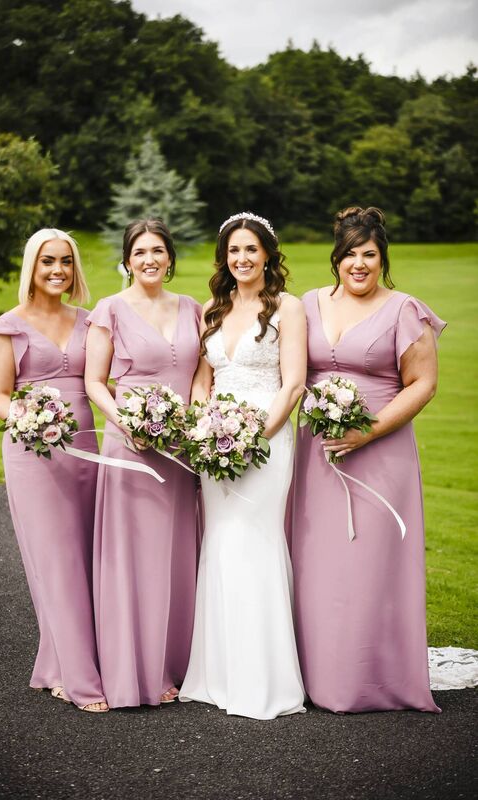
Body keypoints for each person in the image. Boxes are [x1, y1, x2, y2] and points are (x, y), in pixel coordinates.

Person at [288, 206, 445, 713]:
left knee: (372, 562)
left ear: (383, 259)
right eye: (351, 254)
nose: (360, 264)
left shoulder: (403, 310)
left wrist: (368, 431)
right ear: (336, 258)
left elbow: (424, 383)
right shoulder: (306, 306)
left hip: (382, 452)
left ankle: (372, 677)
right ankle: (316, 674)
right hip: (317, 454)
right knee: (320, 563)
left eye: (370, 255)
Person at [179, 212, 307, 719]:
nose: (242, 258)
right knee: (220, 541)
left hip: (266, 443)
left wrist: (254, 438)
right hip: (215, 445)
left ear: (268, 254)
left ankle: (265, 681)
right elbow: (201, 380)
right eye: (234, 250)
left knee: (254, 542)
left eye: (252, 249)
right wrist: (202, 426)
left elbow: (293, 384)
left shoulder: (288, 309)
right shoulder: (212, 306)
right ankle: (215, 676)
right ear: (224, 257)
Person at [0, 229, 108, 713]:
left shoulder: (91, 321)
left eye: (65, 262)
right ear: (31, 269)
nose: (57, 270)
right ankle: (77, 679)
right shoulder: (7, 327)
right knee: (55, 561)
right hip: (33, 454)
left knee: (87, 559)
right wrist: (26, 417)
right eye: (47, 262)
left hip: (87, 449)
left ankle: (57, 662)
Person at [85, 218, 201, 708]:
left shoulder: (193, 308)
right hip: (129, 450)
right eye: (140, 252)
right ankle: (133, 668)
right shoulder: (109, 310)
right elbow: (94, 381)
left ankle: (177, 664)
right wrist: (127, 422)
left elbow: (200, 374)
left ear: (170, 258)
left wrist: (195, 420)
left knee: (176, 554)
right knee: (134, 557)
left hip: (180, 452)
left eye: (158, 250)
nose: (149, 259)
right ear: (127, 260)